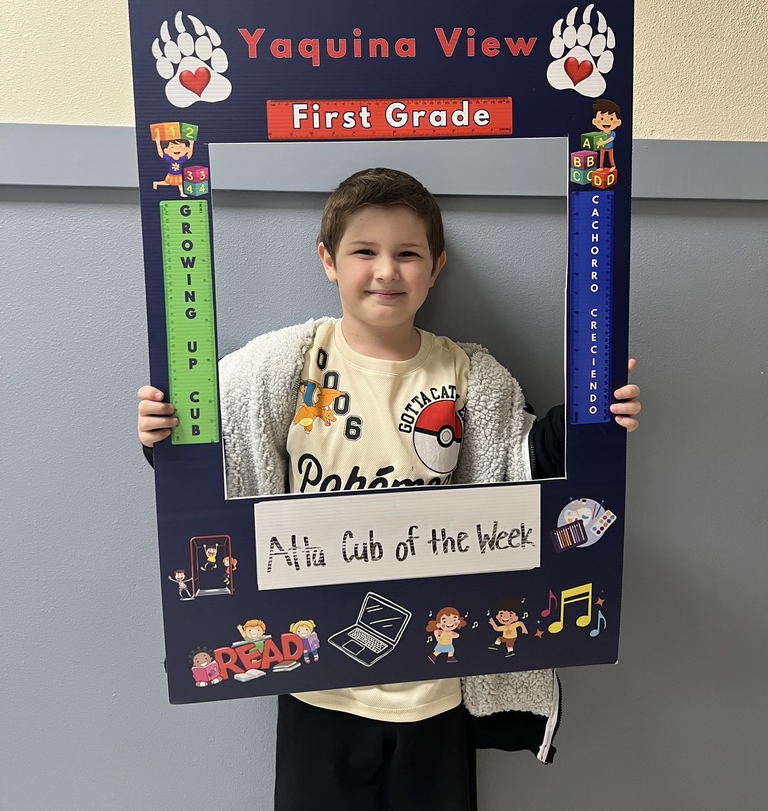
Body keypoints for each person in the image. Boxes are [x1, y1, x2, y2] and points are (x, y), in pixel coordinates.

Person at [138, 167, 641, 810]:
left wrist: (593, 414)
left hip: (434, 688)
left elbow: (524, 468)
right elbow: (216, 471)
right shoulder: (279, 368)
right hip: (318, 686)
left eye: (407, 254)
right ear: (328, 260)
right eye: (364, 252)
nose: (386, 271)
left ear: (436, 267)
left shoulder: (467, 373)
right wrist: (166, 441)